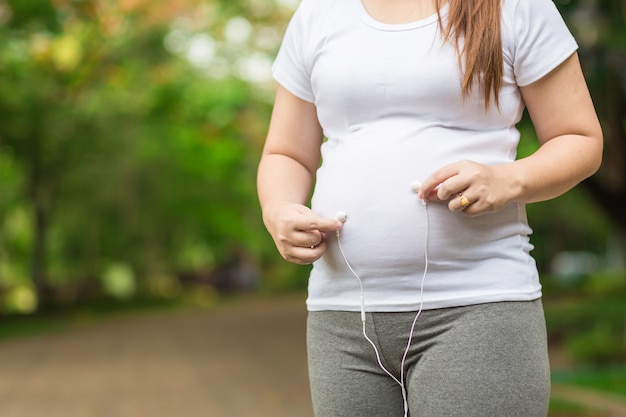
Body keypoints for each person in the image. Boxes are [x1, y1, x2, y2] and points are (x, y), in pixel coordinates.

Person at [257, 0, 603, 416]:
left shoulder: (517, 6)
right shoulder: (320, 13)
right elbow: (286, 153)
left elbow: (580, 138)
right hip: (342, 319)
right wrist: (278, 208)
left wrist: (506, 180)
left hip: (478, 308)